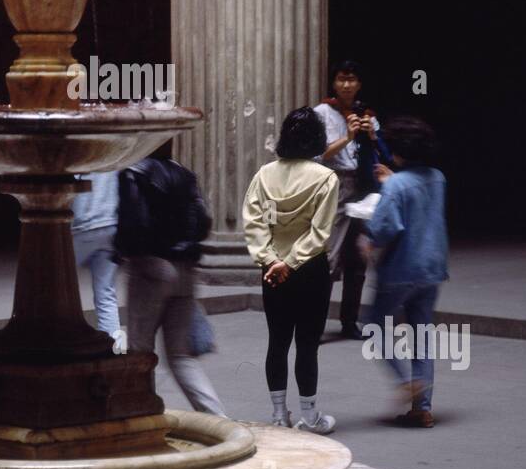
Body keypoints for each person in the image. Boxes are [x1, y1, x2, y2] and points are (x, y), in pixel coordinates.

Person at [243, 107, 339, 432]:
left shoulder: (265, 176)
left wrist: (272, 261)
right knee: (307, 344)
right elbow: (320, 232)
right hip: (310, 271)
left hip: (273, 273)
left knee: (277, 341)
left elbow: (259, 224)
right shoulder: (326, 178)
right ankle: (309, 417)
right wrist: (292, 262)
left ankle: (277, 415)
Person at [115, 147, 225, 416]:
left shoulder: (133, 172)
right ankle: (220, 421)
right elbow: (202, 221)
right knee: (180, 356)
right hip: (186, 269)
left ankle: (142, 418)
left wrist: (123, 252)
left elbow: (134, 224)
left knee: (140, 353)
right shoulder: (183, 173)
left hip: (151, 268)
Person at [365, 117, 448, 428]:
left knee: (373, 324)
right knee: (422, 334)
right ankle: (422, 408)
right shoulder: (438, 178)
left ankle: (403, 382)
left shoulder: (396, 184)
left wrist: (368, 239)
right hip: (433, 266)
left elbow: (385, 228)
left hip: (401, 268)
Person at [314, 60, 391, 339]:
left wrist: (370, 134)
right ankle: (316, 325)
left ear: (359, 84)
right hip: (335, 185)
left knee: (358, 261)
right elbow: (317, 154)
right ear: (334, 83)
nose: (347, 85)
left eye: (352, 79)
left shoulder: (367, 114)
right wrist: (348, 136)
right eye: (341, 79)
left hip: (362, 187)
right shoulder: (321, 112)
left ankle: (349, 323)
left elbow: (383, 154)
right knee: (328, 257)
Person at [70, 171, 125, 353]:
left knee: (58, 284)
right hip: (111, 227)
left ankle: (62, 343)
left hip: (83, 227)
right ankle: (117, 350)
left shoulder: (82, 155)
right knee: (106, 293)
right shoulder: (111, 157)